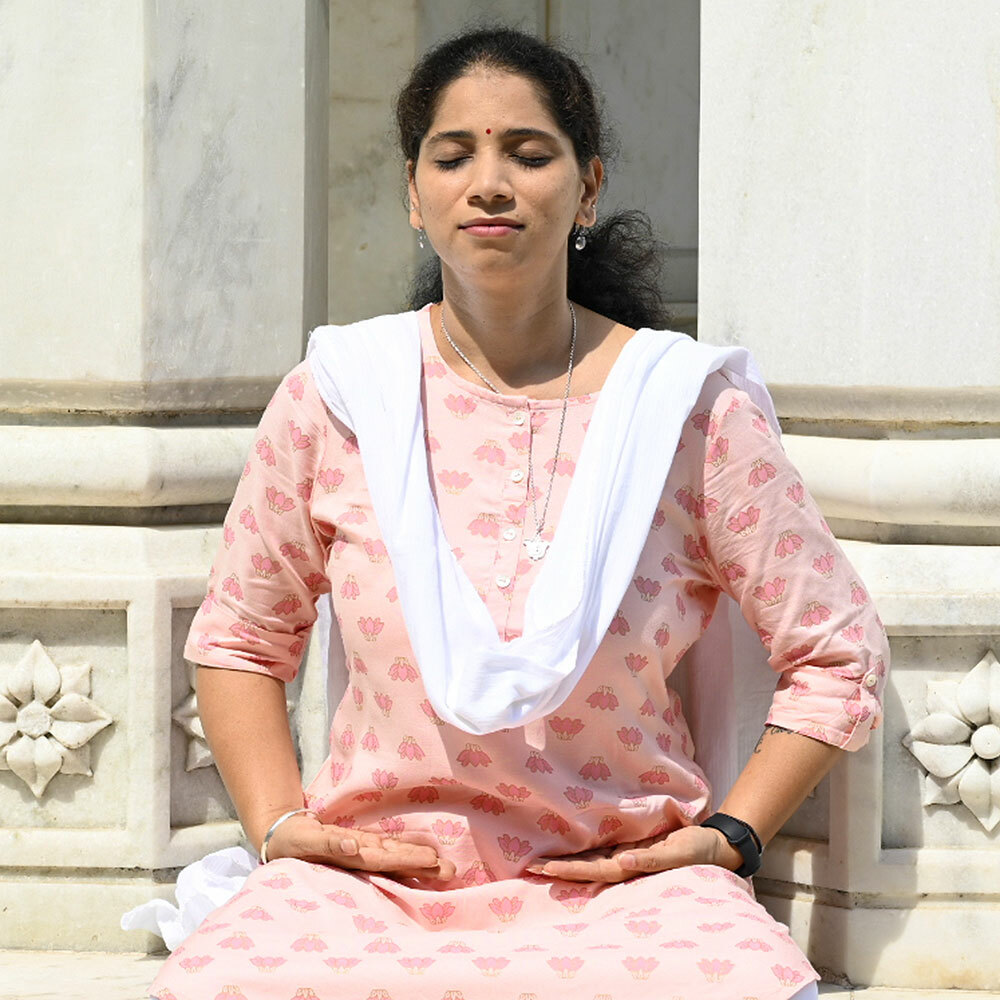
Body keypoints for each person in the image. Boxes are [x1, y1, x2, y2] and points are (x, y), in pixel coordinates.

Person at [148, 25, 887, 1000]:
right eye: (453, 156)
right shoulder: (339, 398)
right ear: (413, 196)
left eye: (528, 153)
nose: (488, 182)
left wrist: (730, 838)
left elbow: (833, 650)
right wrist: (280, 827)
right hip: (374, 884)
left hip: (620, 886)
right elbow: (241, 634)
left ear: (587, 187)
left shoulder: (684, 409)